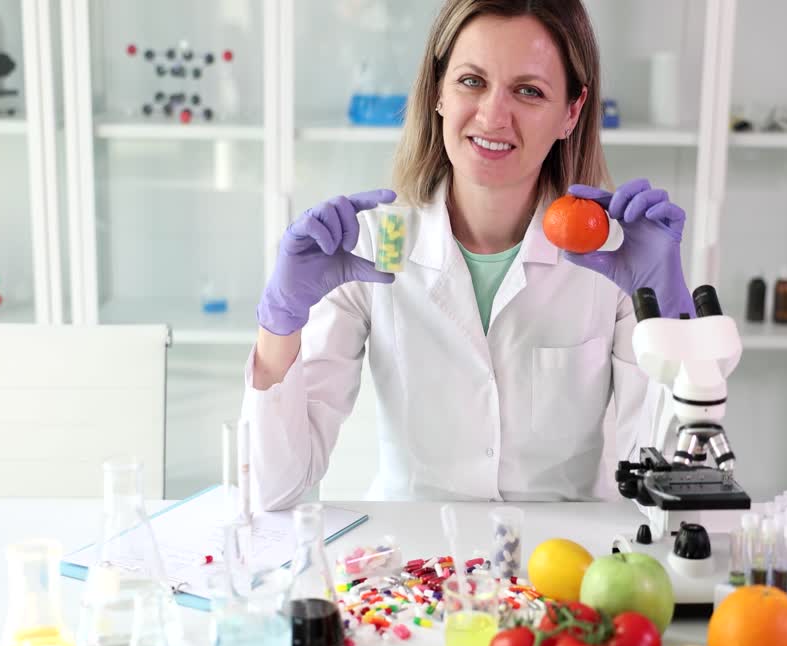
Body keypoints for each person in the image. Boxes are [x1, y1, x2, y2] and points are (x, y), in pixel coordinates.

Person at [242, 0, 694, 510]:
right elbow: (275, 490)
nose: (493, 116)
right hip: (412, 563)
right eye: (471, 81)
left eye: (529, 91)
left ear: (571, 111)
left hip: (561, 562)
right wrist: (280, 322)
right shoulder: (374, 245)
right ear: (437, 91)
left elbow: (676, 491)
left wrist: (672, 317)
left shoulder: (612, 255)